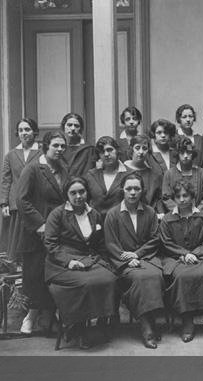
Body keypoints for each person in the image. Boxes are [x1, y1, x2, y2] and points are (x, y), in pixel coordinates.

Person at [44, 177, 117, 349]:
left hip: (89, 260)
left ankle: (99, 323)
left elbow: (100, 244)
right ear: (67, 195)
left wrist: (102, 261)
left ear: (87, 193)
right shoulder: (57, 214)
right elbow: (51, 245)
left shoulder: (94, 214)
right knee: (85, 283)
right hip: (61, 264)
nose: (78, 196)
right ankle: (79, 327)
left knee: (110, 278)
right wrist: (69, 261)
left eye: (82, 192)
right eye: (73, 193)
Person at [104, 173, 165, 349]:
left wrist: (137, 254)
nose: (132, 193)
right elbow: (110, 243)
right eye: (128, 188)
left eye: (136, 189)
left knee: (155, 276)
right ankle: (147, 327)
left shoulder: (150, 212)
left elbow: (155, 239)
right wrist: (126, 260)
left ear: (142, 191)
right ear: (122, 190)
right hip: (122, 262)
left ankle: (151, 321)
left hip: (146, 258)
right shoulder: (113, 214)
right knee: (139, 279)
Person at [17, 131, 69, 334]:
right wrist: (41, 225)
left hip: (58, 231)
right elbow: (22, 200)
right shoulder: (33, 169)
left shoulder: (64, 170)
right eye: (56, 145)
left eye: (63, 146)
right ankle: (30, 316)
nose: (60, 150)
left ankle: (49, 316)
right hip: (36, 232)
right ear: (46, 146)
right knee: (34, 274)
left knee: (52, 274)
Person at [159, 181, 203, 343]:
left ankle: (201, 314)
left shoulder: (202, 218)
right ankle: (187, 320)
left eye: (185, 196)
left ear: (192, 197)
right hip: (174, 258)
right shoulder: (168, 220)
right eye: (178, 196)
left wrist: (194, 254)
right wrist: (183, 254)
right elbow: (166, 243)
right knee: (181, 276)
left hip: (199, 257)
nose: (182, 200)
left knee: (201, 273)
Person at [0, 118, 41, 262]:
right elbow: (6, 180)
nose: (24, 133)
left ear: (34, 131)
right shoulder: (11, 155)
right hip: (16, 203)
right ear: (17, 133)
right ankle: (16, 269)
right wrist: (4, 203)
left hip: (35, 201)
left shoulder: (41, 153)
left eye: (27, 129)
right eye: (21, 130)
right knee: (16, 240)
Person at [162, 137, 203, 215]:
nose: (185, 156)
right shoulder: (169, 174)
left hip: (198, 217)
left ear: (193, 153)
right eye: (182, 152)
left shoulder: (202, 173)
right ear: (177, 154)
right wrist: (179, 211)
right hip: (177, 217)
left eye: (188, 152)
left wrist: (196, 213)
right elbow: (166, 197)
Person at [85, 136, 130, 220]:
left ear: (117, 151)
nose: (106, 154)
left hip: (121, 224)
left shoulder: (130, 174)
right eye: (102, 152)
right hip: (97, 225)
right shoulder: (91, 175)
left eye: (109, 150)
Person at [123, 135, 164, 217]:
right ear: (131, 149)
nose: (141, 152)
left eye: (144, 148)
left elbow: (158, 199)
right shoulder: (122, 170)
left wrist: (160, 214)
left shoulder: (155, 176)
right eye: (137, 148)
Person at [60, 113, 97, 177]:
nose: (73, 128)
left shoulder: (88, 150)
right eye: (69, 125)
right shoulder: (58, 148)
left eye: (76, 126)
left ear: (81, 129)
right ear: (63, 127)